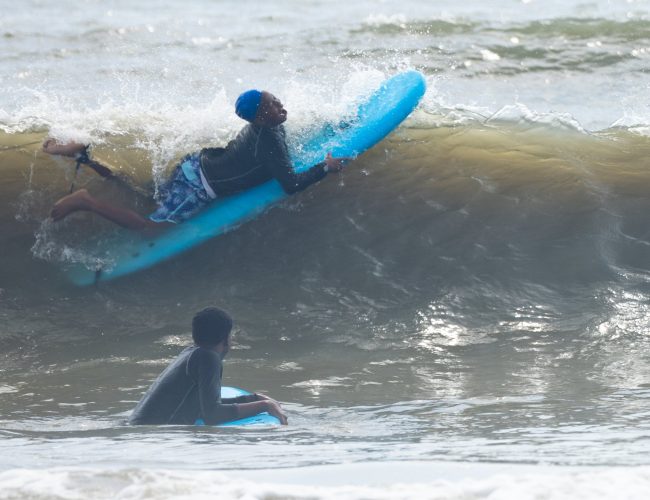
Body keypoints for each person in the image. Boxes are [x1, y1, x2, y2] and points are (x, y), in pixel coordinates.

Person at [44, 89, 349, 232]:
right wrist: (326, 167)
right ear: (259, 116)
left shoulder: (264, 125)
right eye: (273, 103)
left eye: (276, 99)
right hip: (198, 187)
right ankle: (86, 202)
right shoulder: (269, 139)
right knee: (152, 226)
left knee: (142, 192)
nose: (281, 104)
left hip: (195, 165)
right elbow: (291, 185)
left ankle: (86, 156)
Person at [129, 307, 288, 426]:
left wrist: (253, 398)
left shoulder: (191, 353)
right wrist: (264, 405)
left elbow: (203, 405)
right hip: (152, 437)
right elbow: (213, 415)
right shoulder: (208, 357)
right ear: (225, 339)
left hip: (138, 431)